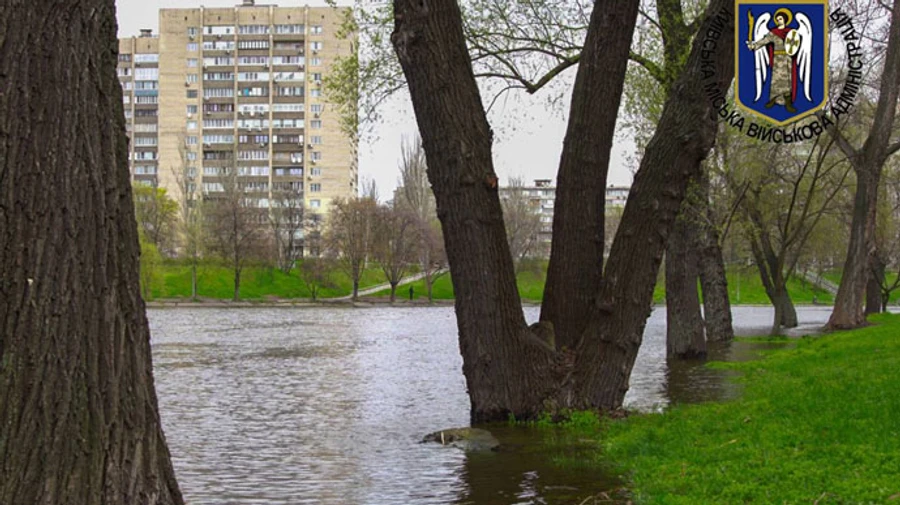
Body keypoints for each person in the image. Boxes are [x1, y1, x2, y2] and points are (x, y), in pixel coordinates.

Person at [747, 8, 798, 112]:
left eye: (780, 18)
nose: (779, 20)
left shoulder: (791, 32)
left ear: (785, 19)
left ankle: (788, 102)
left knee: (788, 81)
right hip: (777, 59)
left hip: (787, 58)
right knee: (776, 80)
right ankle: (773, 99)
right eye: (777, 19)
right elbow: (764, 41)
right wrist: (753, 45)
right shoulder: (773, 33)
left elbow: (796, 44)